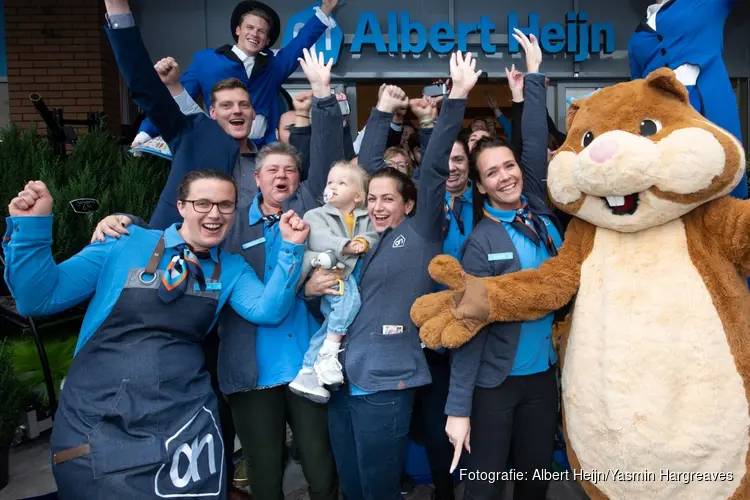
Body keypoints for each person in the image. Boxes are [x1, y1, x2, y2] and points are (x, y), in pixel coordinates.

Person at [3, 171, 309, 499]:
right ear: (181, 206)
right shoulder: (125, 243)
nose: (214, 213)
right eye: (202, 203)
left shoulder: (232, 269)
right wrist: (31, 229)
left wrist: (290, 249)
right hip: (100, 417)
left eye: (225, 205)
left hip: (186, 421)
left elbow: (268, 310)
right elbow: (38, 298)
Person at [302, 51, 481, 500]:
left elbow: (436, 166)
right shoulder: (357, 235)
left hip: (387, 378)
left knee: (379, 487)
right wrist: (324, 98)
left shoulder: (421, 234)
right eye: (373, 199)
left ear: (409, 205)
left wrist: (456, 98)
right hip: (339, 378)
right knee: (354, 484)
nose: (379, 206)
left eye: (389, 199)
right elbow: (350, 168)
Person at [444, 31, 562, 500]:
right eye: (492, 172)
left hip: (542, 380)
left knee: (535, 487)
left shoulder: (542, 210)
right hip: (495, 385)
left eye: (509, 166)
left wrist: (533, 79)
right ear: (480, 185)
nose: (506, 175)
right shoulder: (479, 241)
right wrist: (458, 409)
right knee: (485, 489)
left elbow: (534, 142)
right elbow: (467, 326)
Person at [134, 0, 339, 146]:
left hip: (261, 152)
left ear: (267, 41)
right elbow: (176, 95)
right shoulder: (206, 60)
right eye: (249, 27)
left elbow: (300, 43)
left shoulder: (274, 65)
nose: (254, 34)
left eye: (261, 31)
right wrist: (146, 131)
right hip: (215, 146)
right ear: (238, 30)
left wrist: (325, 9)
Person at [628, 0, 747, 199]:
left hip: (706, 101)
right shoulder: (637, 36)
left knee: (722, 173)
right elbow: (637, 88)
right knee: (669, 185)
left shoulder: (707, 3)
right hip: (661, 115)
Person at [289, 162, 378, 403]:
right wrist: (346, 246)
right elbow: (319, 238)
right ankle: (328, 354)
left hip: (347, 275)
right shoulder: (315, 215)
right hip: (330, 272)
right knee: (350, 301)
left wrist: (364, 241)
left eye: (341, 183)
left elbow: (374, 234)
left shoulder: (365, 217)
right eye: (330, 182)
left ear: (358, 196)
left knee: (332, 322)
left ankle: (307, 371)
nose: (333, 187)